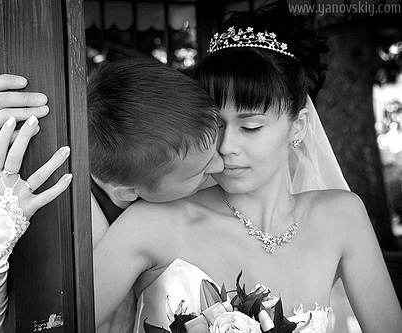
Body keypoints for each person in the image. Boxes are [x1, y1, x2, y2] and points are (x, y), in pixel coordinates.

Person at [92, 2, 402, 333]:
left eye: (251, 127)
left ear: (298, 126)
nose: (225, 147)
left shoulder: (342, 217)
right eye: (215, 126)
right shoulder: (150, 223)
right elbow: (56, 318)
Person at [0, 59, 223, 332]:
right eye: (202, 171)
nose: (221, 164)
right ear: (128, 192)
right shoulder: (38, 216)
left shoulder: (189, 192)